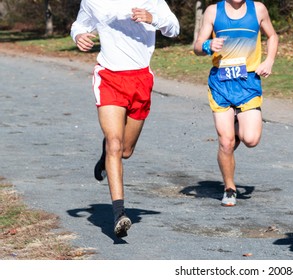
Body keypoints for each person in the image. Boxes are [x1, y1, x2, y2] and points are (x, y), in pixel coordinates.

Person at [70, 0, 179, 237]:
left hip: (140, 79)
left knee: (125, 150)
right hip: (108, 76)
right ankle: (119, 213)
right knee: (115, 144)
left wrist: (154, 18)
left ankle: (109, 148)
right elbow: (79, 25)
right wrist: (78, 36)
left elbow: (174, 28)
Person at [193, 0, 278, 207]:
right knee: (226, 142)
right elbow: (197, 46)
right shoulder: (213, 11)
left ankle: (235, 130)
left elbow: (273, 36)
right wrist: (207, 45)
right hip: (220, 83)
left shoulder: (258, 9)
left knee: (251, 139)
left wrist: (269, 61)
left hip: (248, 82)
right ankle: (229, 188)